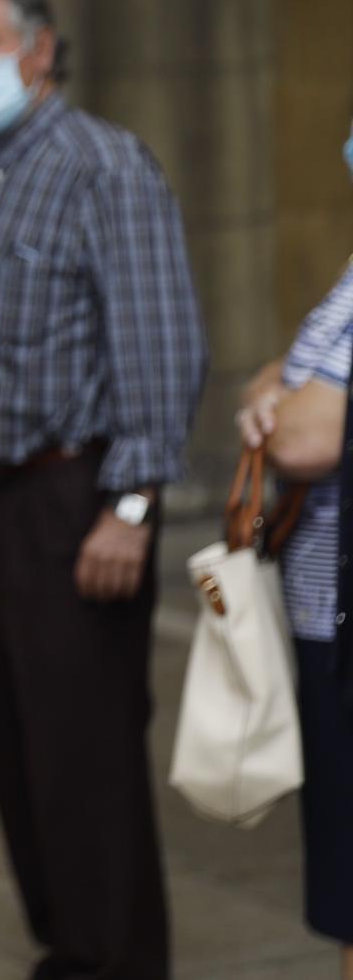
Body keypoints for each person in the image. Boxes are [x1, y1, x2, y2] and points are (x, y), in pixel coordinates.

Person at [0, 0, 206, 979]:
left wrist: (129, 504)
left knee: (84, 753)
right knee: (21, 746)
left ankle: (114, 959)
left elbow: (158, 348)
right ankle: (67, 950)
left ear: (37, 51)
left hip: (75, 498)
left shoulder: (101, 168)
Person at [234, 125, 353, 980]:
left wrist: (284, 397)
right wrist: (279, 388)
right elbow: (274, 374)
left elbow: (306, 433)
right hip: (320, 607)